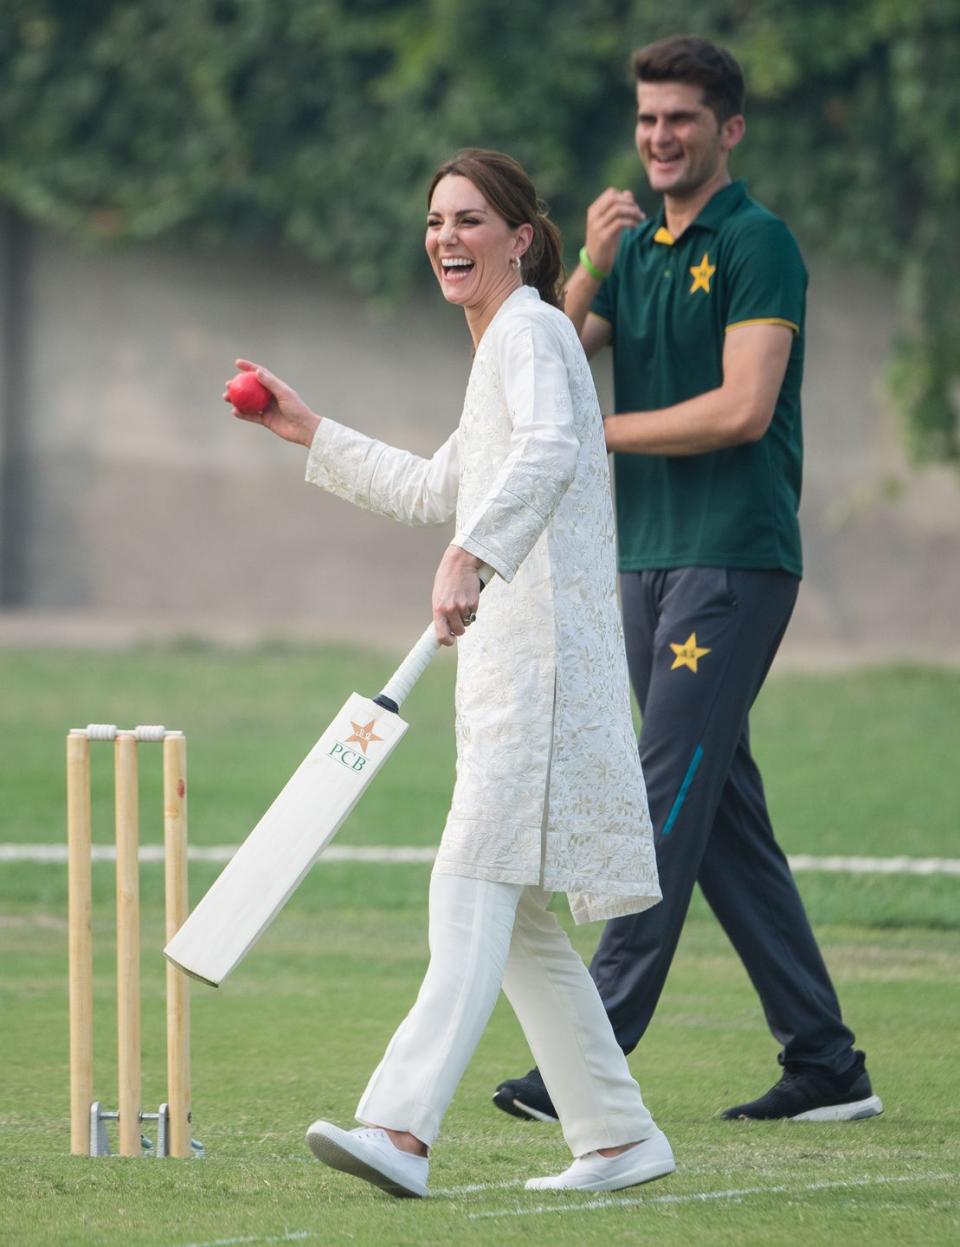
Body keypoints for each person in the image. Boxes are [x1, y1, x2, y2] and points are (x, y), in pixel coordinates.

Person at [225, 149, 675, 1197]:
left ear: (521, 237)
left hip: (544, 670)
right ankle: (617, 1134)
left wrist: (477, 553)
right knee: (515, 922)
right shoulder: (505, 346)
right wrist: (304, 427)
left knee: (466, 883)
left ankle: (400, 1126)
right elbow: (441, 485)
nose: (447, 238)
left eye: (470, 220)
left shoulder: (532, 329)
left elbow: (558, 446)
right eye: (436, 221)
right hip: (512, 671)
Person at [493, 36, 884, 1125]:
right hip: (644, 558)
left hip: (733, 556)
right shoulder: (637, 249)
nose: (662, 138)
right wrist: (584, 270)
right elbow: (535, 364)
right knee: (718, 817)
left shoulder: (758, 244)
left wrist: (594, 434)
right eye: (649, 119)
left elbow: (742, 407)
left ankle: (589, 1044)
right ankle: (827, 1062)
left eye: (683, 120)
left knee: (658, 794)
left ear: (729, 130)